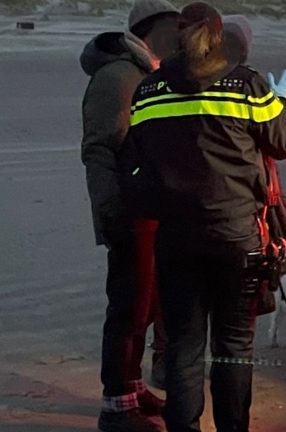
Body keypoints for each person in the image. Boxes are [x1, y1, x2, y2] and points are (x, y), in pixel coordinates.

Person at [119, 2, 286, 431]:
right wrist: (282, 102)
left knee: (183, 344)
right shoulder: (248, 87)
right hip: (238, 237)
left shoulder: (149, 91)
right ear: (219, 37)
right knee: (234, 345)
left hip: (176, 238)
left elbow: (132, 160)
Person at [79, 1, 179, 430]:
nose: (180, 35)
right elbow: (99, 149)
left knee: (146, 302)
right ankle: (116, 406)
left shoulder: (146, 73)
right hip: (128, 209)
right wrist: (111, 210)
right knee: (128, 304)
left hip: (147, 206)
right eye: (174, 27)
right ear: (151, 29)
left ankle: (131, 386)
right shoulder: (119, 77)